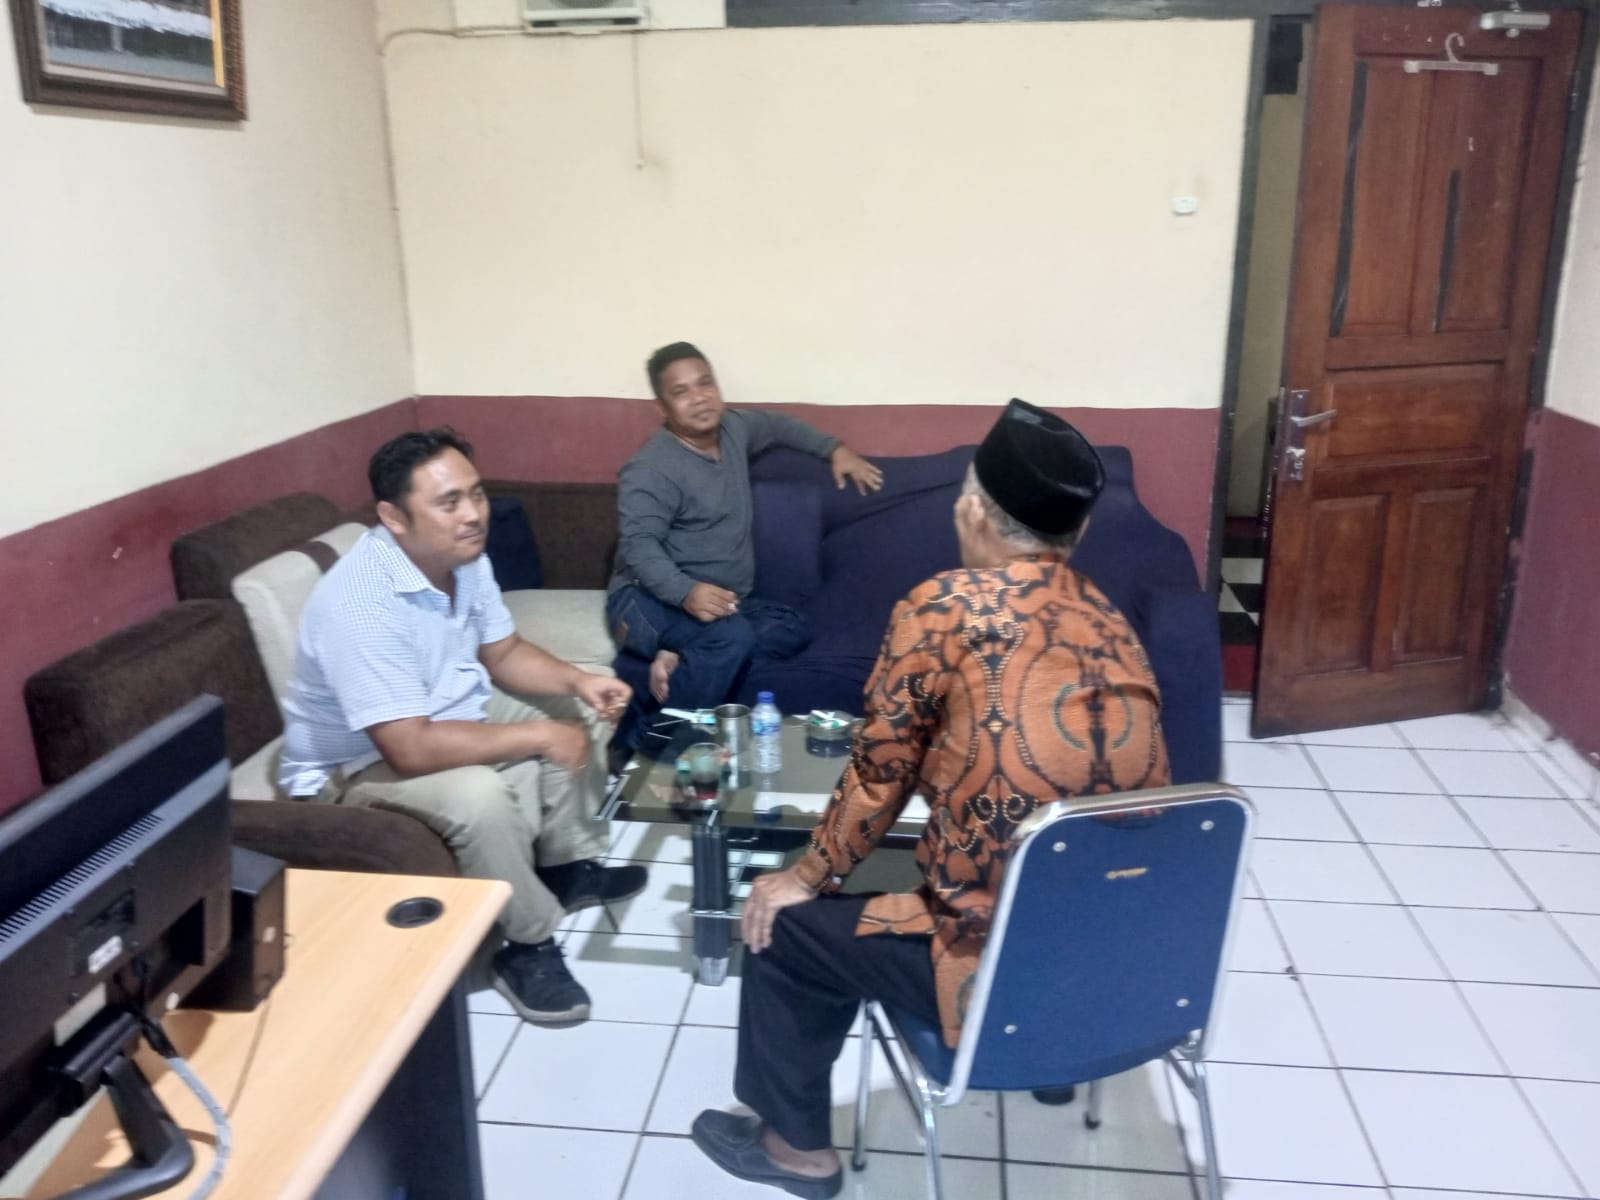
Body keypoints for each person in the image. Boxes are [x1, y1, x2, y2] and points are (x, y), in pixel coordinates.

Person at [689, 400, 1172, 1197]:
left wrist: (804, 876)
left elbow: (880, 773)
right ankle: (1056, 1072)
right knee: (1020, 851)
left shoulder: (940, 608)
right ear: (1079, 532)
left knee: (789, 926)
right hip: (1122, 955)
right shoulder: (1112, 623)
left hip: (997, 963)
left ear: (971, 511)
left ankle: (796, 1152)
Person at [279, 427, 646, 1026]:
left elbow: (503, 653)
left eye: (476, 494)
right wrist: (539, 736)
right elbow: (408, 747)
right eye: (448, 502)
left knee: (581, 707)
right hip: (356, 763)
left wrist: (579, 681)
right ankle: (526, 945)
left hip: (442, 711)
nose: (473, 514)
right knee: (480, 796)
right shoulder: (361, 604)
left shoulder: (462, 559)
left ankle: (565, 869)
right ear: (393, 517)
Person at [606, 343, 884, 742]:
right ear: (662, 407)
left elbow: (780, 426)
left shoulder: (734, 429)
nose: (699, 397)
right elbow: (639, 547)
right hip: (642, 601)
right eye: (681, 391)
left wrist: (835, 449)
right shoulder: (650, 468)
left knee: (790, 627)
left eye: (705, 383)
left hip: (719, 603)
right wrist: (686, 593)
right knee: (730, 637)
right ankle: (659, 744)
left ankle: (683, 654)